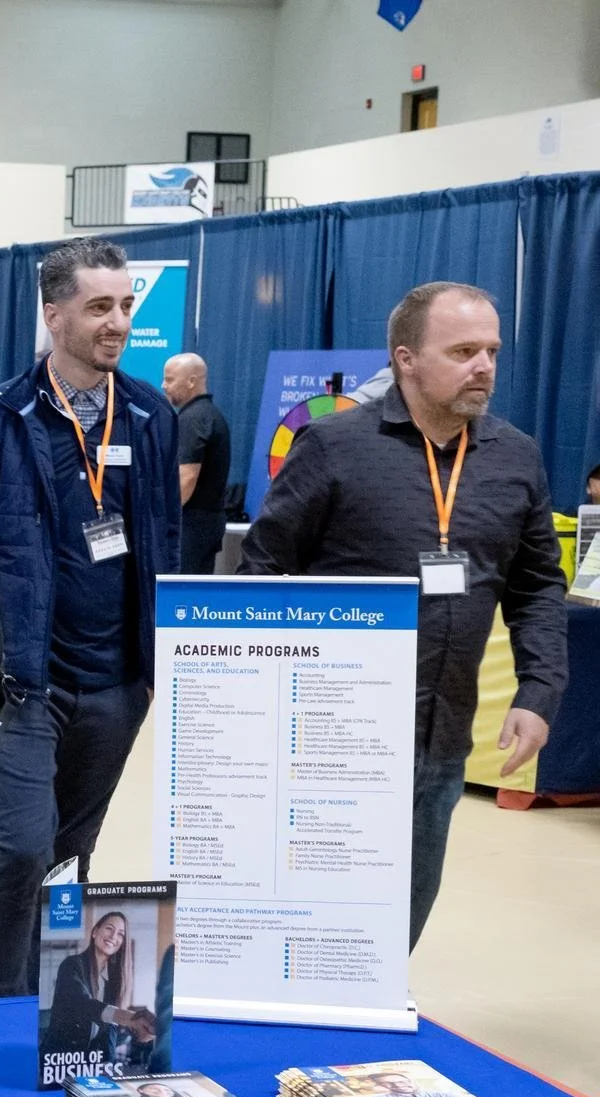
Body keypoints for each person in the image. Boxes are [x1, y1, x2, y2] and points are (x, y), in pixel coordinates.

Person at [239, 281, 566, 950]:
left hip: (441, 736)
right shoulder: (333, 447)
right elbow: (263, 573)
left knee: (404, 905)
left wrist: (539, 690)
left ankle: (373, 1008)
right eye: (464, 351)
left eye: (493, 352)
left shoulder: (515, 458)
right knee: (315, 909)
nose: (484, 367)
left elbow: (536, 586)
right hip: (332, 738)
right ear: (406, 359)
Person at [0, 237, 181, 999]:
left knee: (71, 853)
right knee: (21, 846)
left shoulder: (149, 416)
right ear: (54, 315)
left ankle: (52, 1012)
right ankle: (1, 1008)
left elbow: (166, 543)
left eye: (125, 306)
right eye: (99, 307)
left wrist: (157, 665)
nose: (117, 323)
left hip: (116, 684)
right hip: (23, 681)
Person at [41, 910, 155, 1065]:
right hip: (59, 1060)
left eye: (120, 934)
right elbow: (81, 1004)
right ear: (95, 932)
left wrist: (141, 1037)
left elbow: (109, 1033)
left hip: (91, 1064)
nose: (113, 937)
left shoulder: (114, 980)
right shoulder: (72, 964)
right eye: (109, 928)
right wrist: (130, 1018)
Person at [163, 352, 231, 574]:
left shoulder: (193, 419)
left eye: (170, 379)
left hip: (191, 527)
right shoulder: (210, 414)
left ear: (191, 381)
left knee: (181, 594)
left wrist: (163, 519)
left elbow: (187, 477)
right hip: (205, 524)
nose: (164, 385)